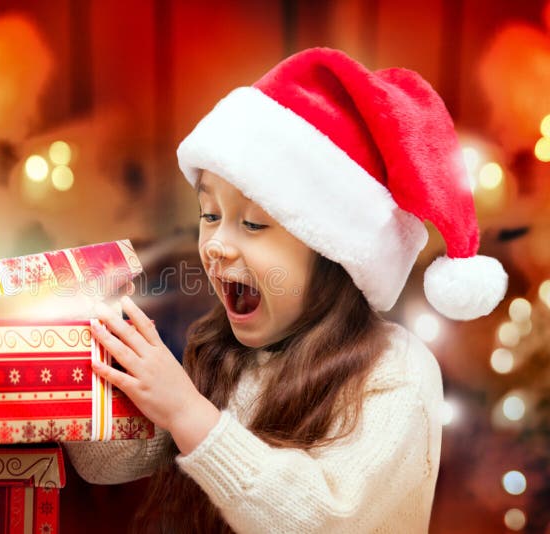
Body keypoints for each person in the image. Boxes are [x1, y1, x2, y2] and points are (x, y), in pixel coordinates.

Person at [64, 47, 508, 533]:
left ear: (332, 251)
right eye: (209, 215)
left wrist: (188, 412)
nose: (216, 246)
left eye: (253, 223)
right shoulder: (228, 352)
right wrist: (66, 368)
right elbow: (105, 465)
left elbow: (320, 522)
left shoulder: (395, 371)